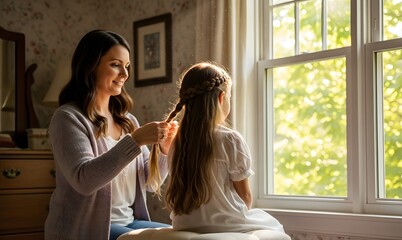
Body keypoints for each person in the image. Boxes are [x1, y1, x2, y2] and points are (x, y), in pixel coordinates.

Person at [44, 30, 178, 240]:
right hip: (86, 229)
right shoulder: (67, 118)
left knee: (184, 235)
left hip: (129, 222)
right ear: (91, 66)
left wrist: (164, 151)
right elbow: (84, 181)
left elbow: (150, 185)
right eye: (116, 65)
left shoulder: (128, 121)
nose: (124, 74)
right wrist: (135, 141)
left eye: (127, 67)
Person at [162, 62, 285, 233]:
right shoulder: (230, 139)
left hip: (185, 225)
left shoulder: (176, 142)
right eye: (229, 97)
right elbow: (246, 198)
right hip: (226, 224)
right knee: (275, 227)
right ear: (221, 98)